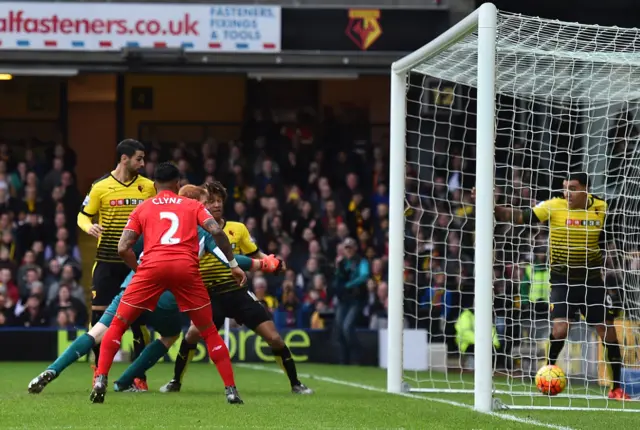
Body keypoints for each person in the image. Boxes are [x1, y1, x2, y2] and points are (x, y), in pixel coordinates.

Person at [27, 213, 282, 394]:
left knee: (97, 333)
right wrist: (263, 264)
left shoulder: (153, 219)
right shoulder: (200, 229)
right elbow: (226, 256)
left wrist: (135, 270)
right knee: (171, 335)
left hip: (134, 286)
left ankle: (54, 371)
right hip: (167, 296)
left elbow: (127, 247)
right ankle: (125, 381)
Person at [89, 162, 245, 404]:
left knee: (118, 324)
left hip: (152, 268)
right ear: (178, 184)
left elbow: (123, 247)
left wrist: (138, 270)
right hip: (186, 268)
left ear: (154, 184)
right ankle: (231, 390)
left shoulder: (144, 207)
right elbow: (216, 231)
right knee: (209, 331)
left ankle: (100, 379)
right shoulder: (192, 205)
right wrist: (233, 264)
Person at [474, 172, 629, 400]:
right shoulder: (553, 206)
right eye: (565, 187)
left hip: (593, 282)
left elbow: (611, 241)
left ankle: (616, 388)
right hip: (562, 280)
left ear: (586, 188)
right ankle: (548, 373)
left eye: (573, 188)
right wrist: (491, 206)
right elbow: (520, 216)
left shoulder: (602, 209)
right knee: (560, 329)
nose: (567, 192)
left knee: (608, 332)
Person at [159, 181, 313, 395]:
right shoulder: (194, 231)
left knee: (274, 338)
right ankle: (175, 381)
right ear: (202, 204)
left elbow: (256, 256)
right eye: (211, 201)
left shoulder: (237, 229)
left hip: (237, 292)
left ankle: (296, 383)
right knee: (192, 335)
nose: (216, 205)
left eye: (219, 201)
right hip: (209, 295)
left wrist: (273, 261)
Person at [77, 139, 155, 386]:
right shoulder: (100, 187)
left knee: (139, 322)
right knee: (99, 321)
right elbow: (83, 215)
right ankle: (99, 374)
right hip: (106, 263)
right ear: (124, 158)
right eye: (139, 159)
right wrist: (89, 227)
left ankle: (138, 377)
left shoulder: (149, 187)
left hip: (135, 263)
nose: (142, 164)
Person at [333, 237, 370, 365]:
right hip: (343, 299)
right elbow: (338, 278)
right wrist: (337, 268)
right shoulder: (342, 262)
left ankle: (357, 355)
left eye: (350, 247)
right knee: (339, 327)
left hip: (356, 298)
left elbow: (364, 275)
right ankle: (344, 359)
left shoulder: (361, 261)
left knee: (347, 327)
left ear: (355, 248)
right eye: (346, 248)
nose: (348, 250)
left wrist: (349, 285)